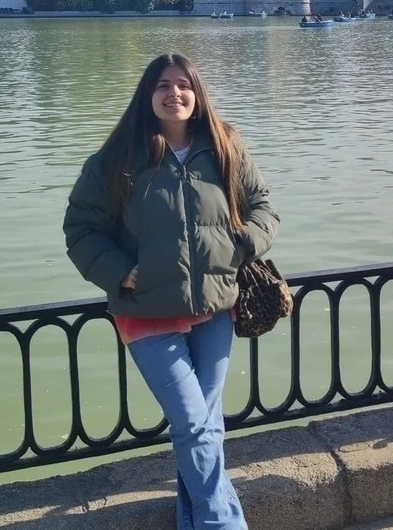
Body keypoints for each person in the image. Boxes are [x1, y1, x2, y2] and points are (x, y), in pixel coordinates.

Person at [63, 53, 279, 529]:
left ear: (197, 94)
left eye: (184, 84)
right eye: (162, 85)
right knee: (195, 424)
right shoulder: (118, 157)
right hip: (146, 311)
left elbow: (262, 207)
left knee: (203, 427)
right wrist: (119, 271)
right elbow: (80, 228)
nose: (174, 93)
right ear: (148, 95)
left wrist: (241, 245)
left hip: (214, 307)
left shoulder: (224, 145)